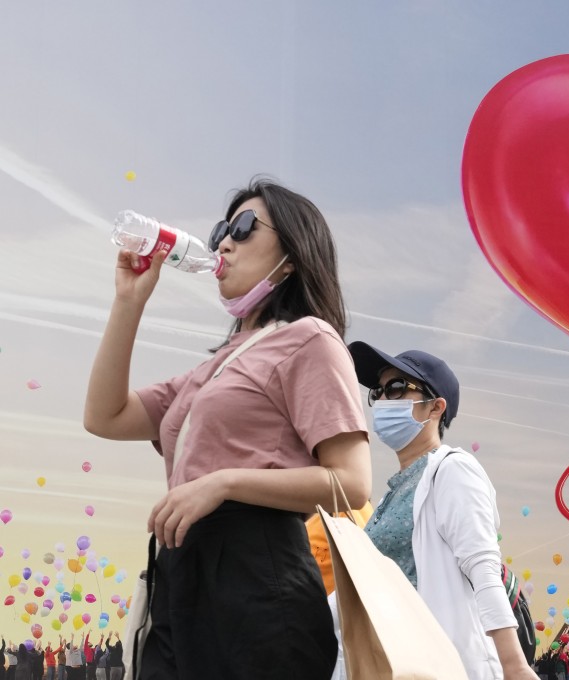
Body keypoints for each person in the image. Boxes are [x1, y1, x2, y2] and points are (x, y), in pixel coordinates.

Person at [83, 178, 371, 679]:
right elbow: (104, 417)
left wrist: (224, 483)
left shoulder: (310, 340)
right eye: (222, 230)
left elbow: (351, 483)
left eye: (243, 228)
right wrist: (129, 301)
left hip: (258, 576)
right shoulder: (210, 370)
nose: (223, 243)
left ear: (295, 254)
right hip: (180, 576)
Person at [346, 342, 538, 680]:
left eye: (395, 388)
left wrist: (514, 666)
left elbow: (482, 566)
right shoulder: (393, 494)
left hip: (437, 663)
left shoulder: (453, 470)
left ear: (436, 408)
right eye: (378, 392)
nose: (383, 400)